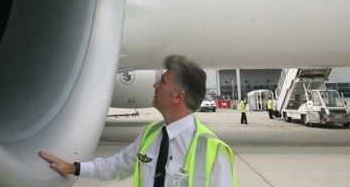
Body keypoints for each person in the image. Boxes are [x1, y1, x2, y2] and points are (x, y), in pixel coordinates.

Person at [39, 54, 236, 186]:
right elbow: (116, 166)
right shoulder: (150, 135)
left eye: (163, 81)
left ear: (178, 97)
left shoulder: (213, 151)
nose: (155, 84)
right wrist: (74, 168)